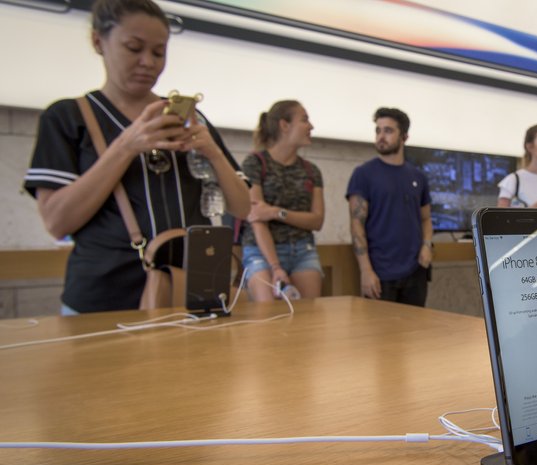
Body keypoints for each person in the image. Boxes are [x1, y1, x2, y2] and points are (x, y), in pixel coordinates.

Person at [21, 0, 250, 314]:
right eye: (133, 48)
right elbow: (57, 221)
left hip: (191, 296)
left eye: (159, 52)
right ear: (98, 41)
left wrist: (213, 153)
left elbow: (242, 206)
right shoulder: (67, 117)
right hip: (104, 301)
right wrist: (125, 147)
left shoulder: (188, 119)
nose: (148, 62)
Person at [346, 107, 433, 307]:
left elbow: (426, 218)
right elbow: (356, 224)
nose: (381, 136)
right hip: (380, 273)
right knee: (380, 337)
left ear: (404, 136)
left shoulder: (418, 177)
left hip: (415, 271)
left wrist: (427, 246)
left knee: (414, 334)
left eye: (388, 131)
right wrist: (366, 271)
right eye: (378, 131)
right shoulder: (363, 174)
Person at [239, 100, 325, 301]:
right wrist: (275, 267)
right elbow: (257, 218)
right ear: (284, 125)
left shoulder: (312, 171)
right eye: (304, 120)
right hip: (261, 251)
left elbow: (317, 220)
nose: (310, 126)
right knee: (267, 312)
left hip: (303, 250)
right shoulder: (255, 163)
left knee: (309, 315)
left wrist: (276, 212)